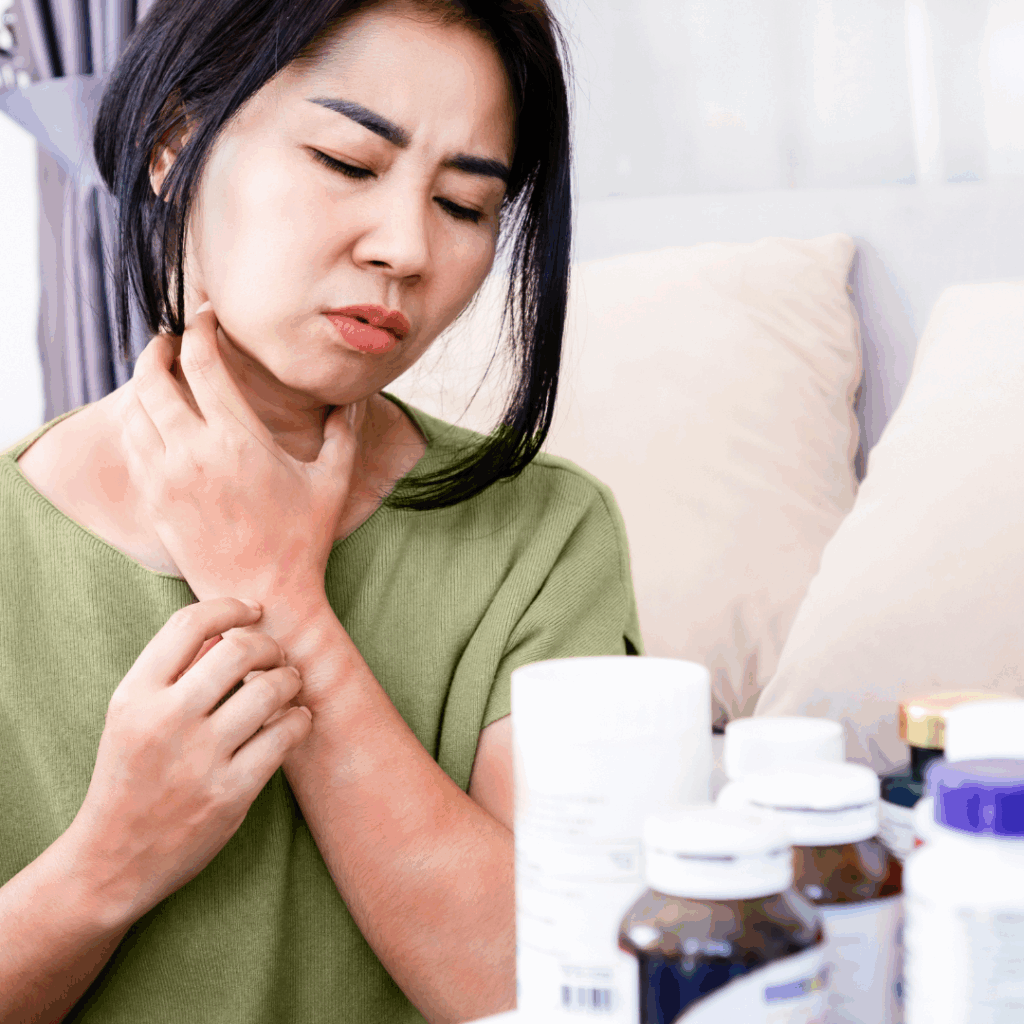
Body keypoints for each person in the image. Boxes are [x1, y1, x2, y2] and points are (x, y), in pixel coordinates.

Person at [0, 1, 642, 1021]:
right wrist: (107, 861)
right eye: (348, 161)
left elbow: (550, 991)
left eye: (466, 206)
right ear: (174, 144)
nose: (405, 248)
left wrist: (276, 596)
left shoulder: (544, 535)